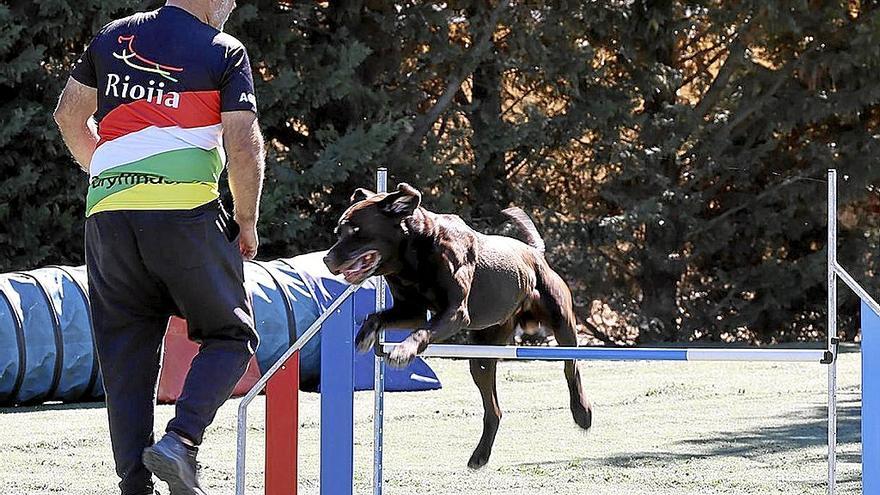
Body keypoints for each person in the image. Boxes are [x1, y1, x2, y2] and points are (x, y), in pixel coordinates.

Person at [53, 1, 264, 493]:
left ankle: (135, 486)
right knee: (231, 336)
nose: (232, 4)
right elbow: (242, 140)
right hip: (185, 213)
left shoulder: (111, 36)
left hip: (108, 213)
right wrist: (247, 219)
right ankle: (181, 441)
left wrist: (106, 173)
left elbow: (68, 115)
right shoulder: (223, 51)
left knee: (125, 358)